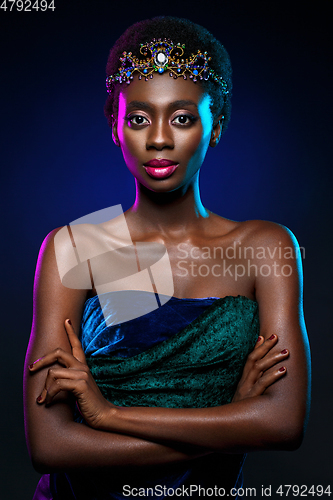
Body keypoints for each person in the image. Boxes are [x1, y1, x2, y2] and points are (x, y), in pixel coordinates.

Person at [24, 16, 311, 500]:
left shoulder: (266, 247)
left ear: (215, 125)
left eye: (182, 117)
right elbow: (49, 445)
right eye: (138, 118)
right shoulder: (74, 248)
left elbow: (282, 424)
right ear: (114, 126)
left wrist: (111, 416)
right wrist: (231, 424)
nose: (158, 138)